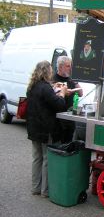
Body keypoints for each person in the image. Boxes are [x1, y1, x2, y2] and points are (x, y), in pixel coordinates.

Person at [26, 60, 67, 198]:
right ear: (47, 71)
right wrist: (62, 93)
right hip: (45, 128)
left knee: (36, 158)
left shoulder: (32, 86)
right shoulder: (45, 88)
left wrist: (53, 87)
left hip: (33, 127)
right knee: (46, 159)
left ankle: (35, 188)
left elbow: (44, 98)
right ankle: (45, 191)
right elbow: (59, 105)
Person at [53, 56, 83, 143]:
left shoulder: (70, 79)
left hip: (69, 116)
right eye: (68, 66)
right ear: (60, 66)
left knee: (68, 142)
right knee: (58, 143)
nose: (70, 68)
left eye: (70, 66)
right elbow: (50, 96)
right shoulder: (53, 79)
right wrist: (63, 92)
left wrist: (75, 81)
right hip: (58, 118)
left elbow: (81, 93)